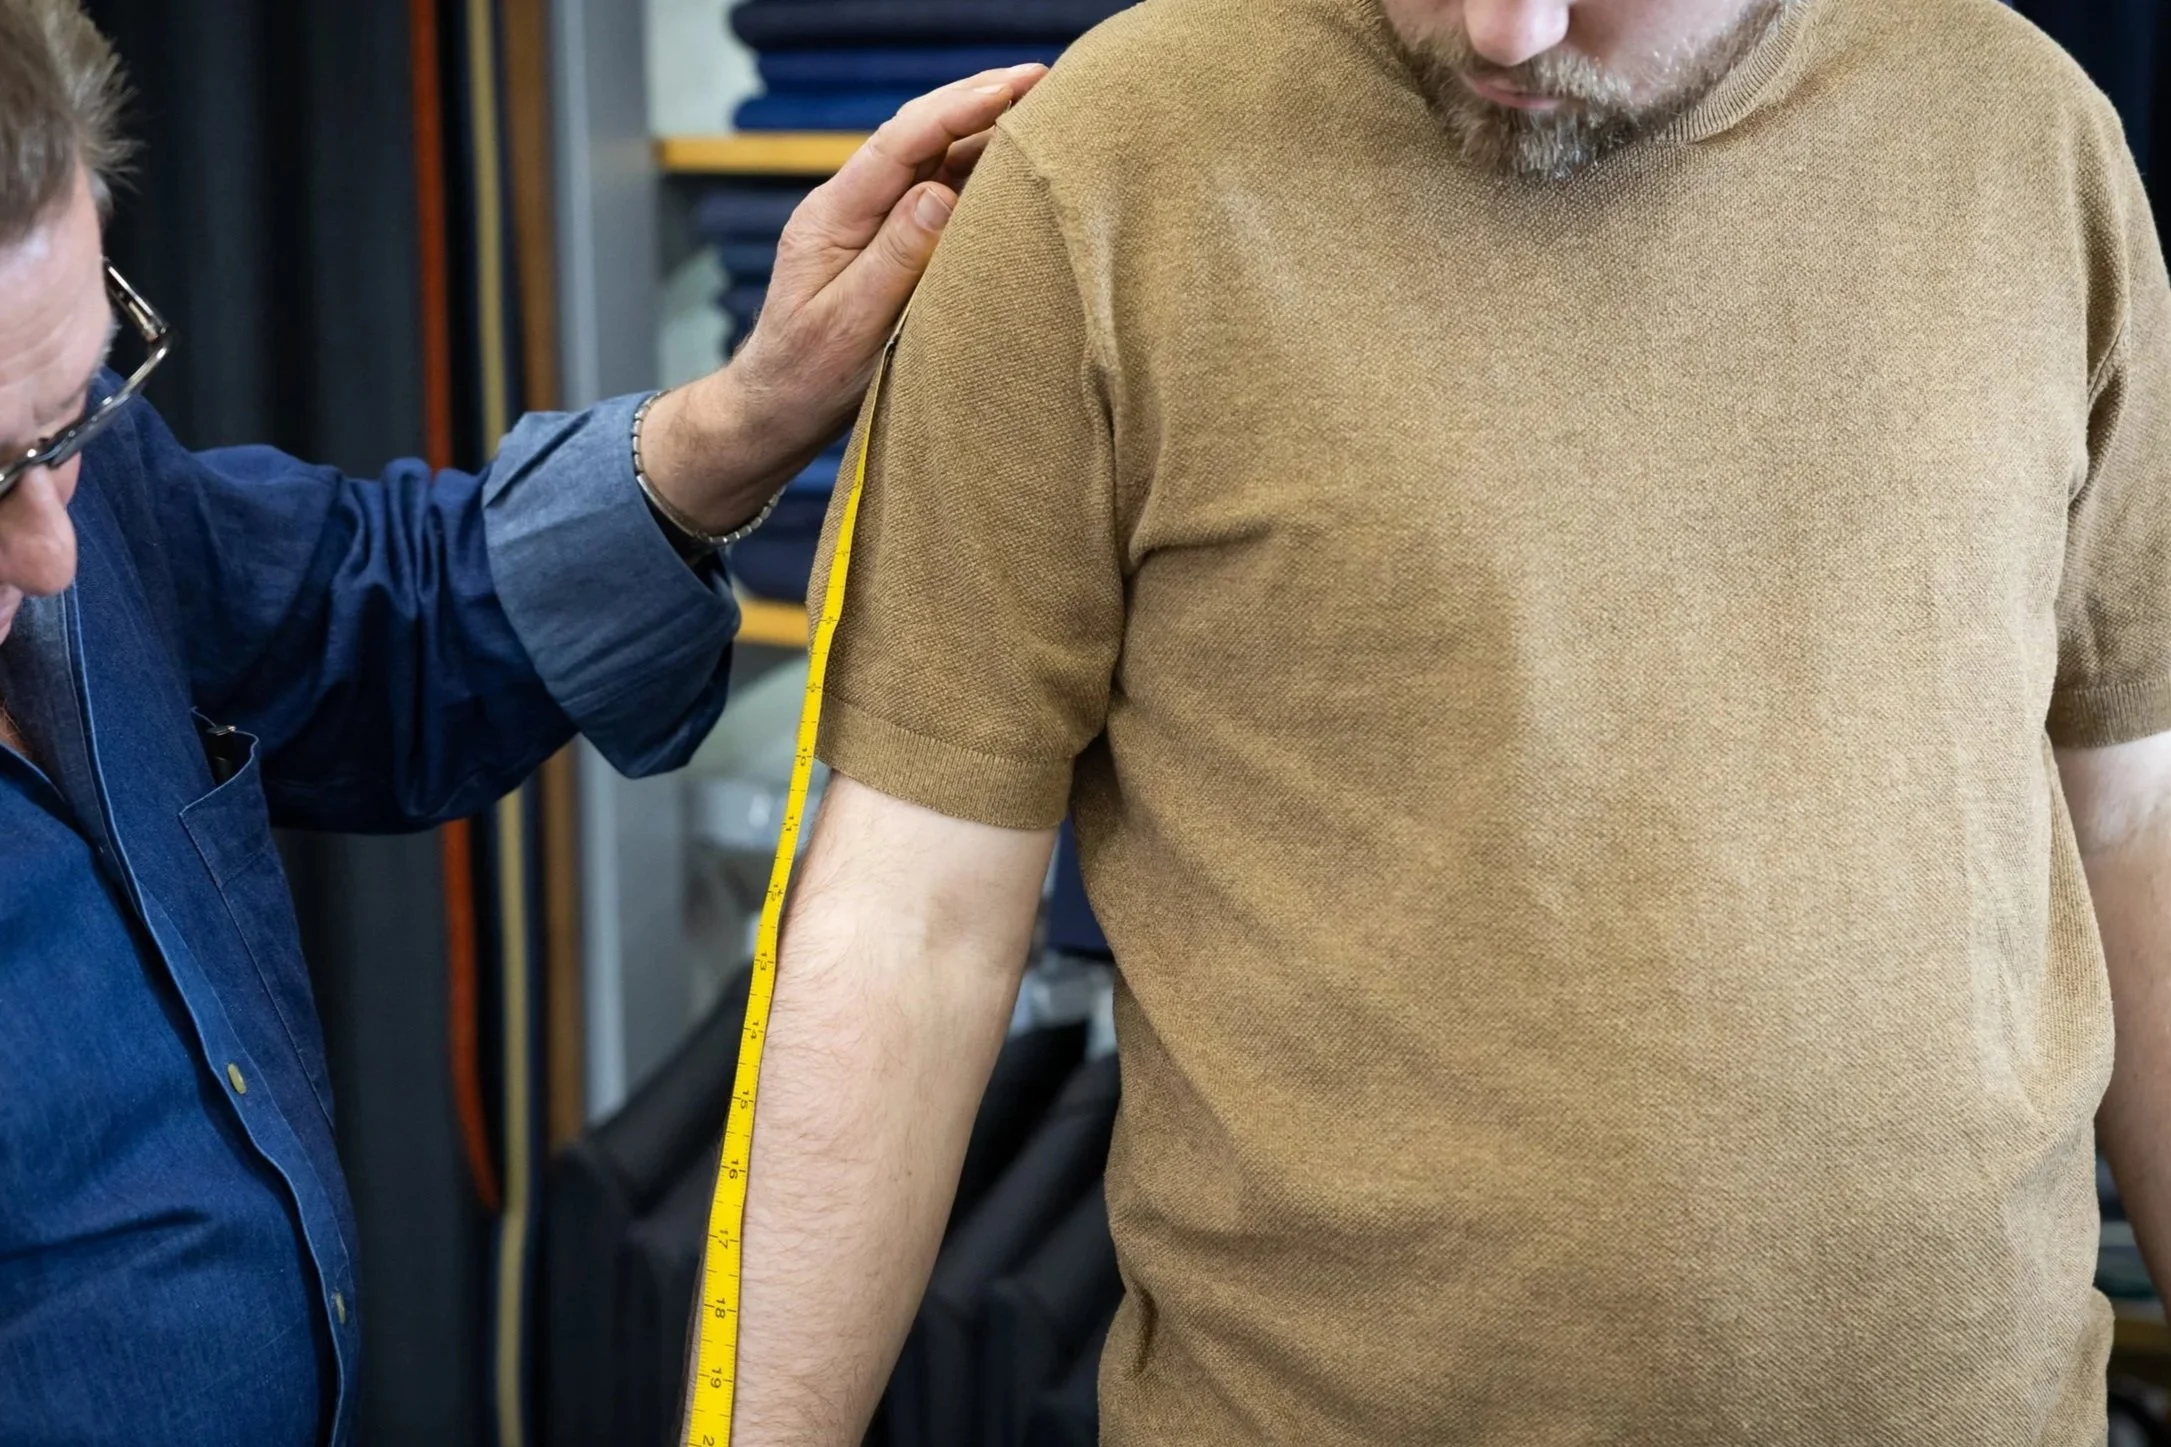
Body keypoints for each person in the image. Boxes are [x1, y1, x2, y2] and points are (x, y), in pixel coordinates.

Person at [708, 0, 2171, 1442]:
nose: (1505, 31)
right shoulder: (1104, 169)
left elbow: (2133, 819)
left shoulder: (2027, 141)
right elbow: (910, 919)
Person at [0, 0, 1045, 1442]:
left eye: (69, 418)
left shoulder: (74, 501)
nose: (53, 546)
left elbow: (375, 616)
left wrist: (745, 420)